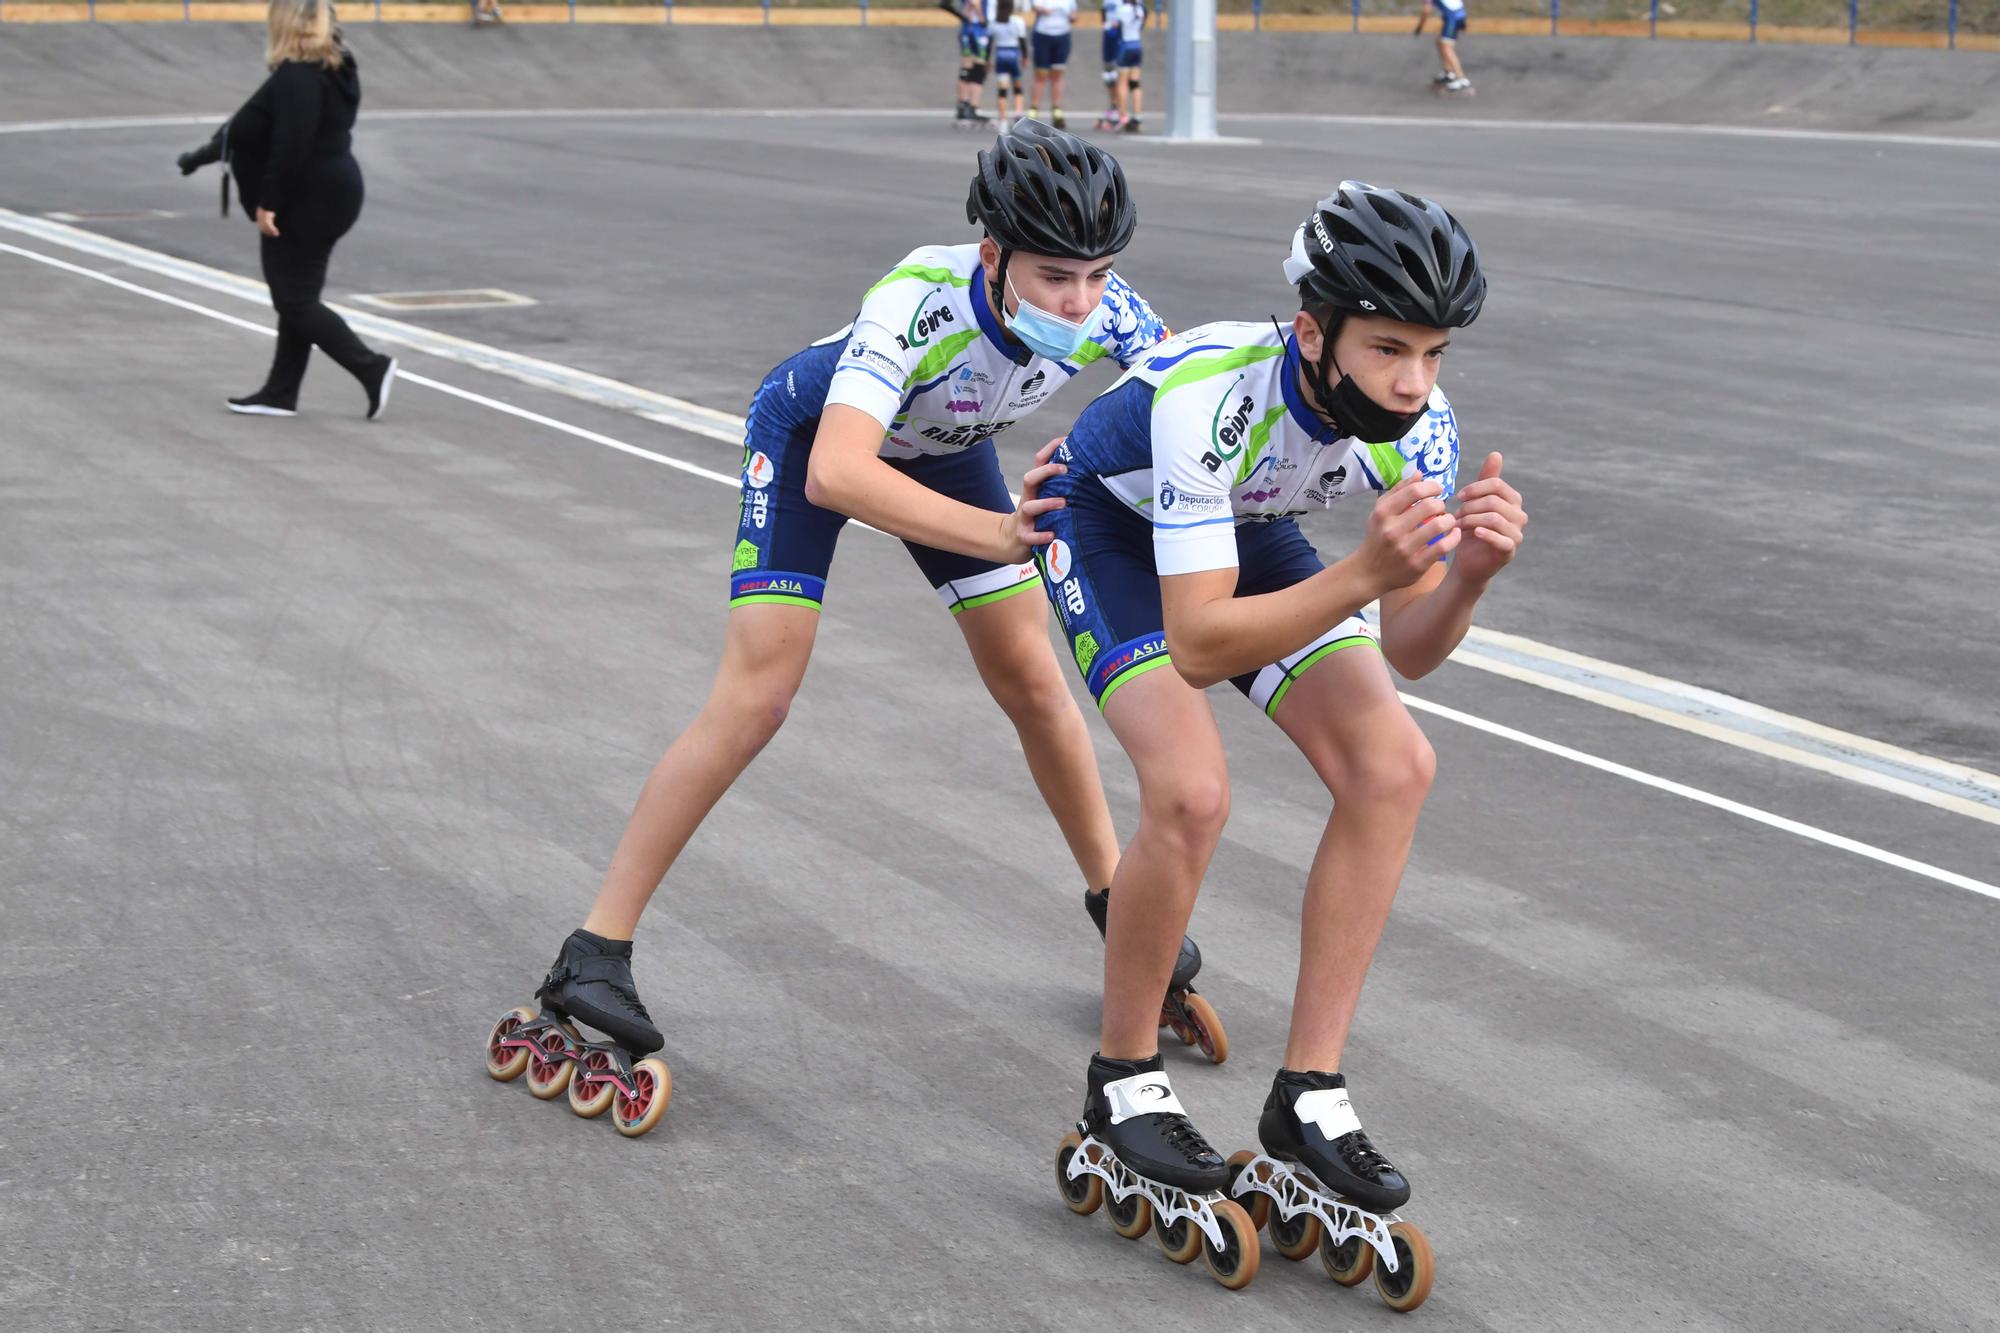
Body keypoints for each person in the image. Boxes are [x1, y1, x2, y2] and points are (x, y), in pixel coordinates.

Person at [488, 124, 1193, 1111]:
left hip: (947, 446)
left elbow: (1185, 415)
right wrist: (997, 535)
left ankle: (1117, 900)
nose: (1079, 302)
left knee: (1032, 679)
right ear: (991, 256)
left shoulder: (1108, 309)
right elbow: (839, 472)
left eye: (1095, 275)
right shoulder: (918, 298)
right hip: (820, 437)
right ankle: (592, 950)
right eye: (1052, 277)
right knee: (758, 697)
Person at [1033, 184, 1526, 1257]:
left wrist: (1468, 578)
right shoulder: (1214, 391)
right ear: (1312, 330)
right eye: (1387, 347)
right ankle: (1120, 1081)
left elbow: (1408, 649)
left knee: (1392, 763)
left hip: (1246, 528)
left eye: (1434, 353)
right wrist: (1358, 569)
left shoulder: (1420, 425)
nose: (1412, 381)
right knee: (1189, 788)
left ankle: (1306, 1094)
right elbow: (1202, 645)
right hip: (1112, 529)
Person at [176, 0, 395, 420]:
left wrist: (268, 204)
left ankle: (372, 367)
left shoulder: (298, 79)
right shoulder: (329, 70)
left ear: (285, 27)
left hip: (306, 199)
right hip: (330, 193)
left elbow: (290, 145)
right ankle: (280, 392)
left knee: (294, 299)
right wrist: (198, 157)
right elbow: (245, 125)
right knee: (298, 296)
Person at [1029, 0, 1078, 128]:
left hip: (1062, 36)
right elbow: (1035, 7)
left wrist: (1072, 17)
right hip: (1043, 34)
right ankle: (1033, 110)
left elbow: (1074, 15)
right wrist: (1044, 10)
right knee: (1041, 74)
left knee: (1058, 73)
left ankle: (1057, 110)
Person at [1416, 0, 1473, 94]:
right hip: (1459, 13)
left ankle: (1461, 80)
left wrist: (1420, 27)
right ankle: (1449, 73)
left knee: (1446, 47)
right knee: (1439, 42)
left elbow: (1427, 10)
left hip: (1452, 17)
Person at [951, 0, 993, 125]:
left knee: (966, 69)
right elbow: (975, 2)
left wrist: (966, 16)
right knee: (978, 69)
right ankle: (972, 107)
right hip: (977, 31)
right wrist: (981, 18)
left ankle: (962, 105)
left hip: (966, 29)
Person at [989, 0, 1028, 131]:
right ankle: (1017, 114)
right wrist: (1025, 57)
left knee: (1002, 91)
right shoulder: (1017, 21)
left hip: (1000, 54)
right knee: (1017, 88)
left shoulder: (994, 23)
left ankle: (1003, 121)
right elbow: (1022, 41)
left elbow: (989, 44)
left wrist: (988, 59)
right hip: (1013, 54)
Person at [1111, 0, 1144, 133]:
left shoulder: (1122, 9)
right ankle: (1137, 115)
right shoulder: (1140, 9)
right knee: (1135, 83)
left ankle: (1123, 115)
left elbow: (1114, 26)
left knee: (1122, 82)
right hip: (1137, 45)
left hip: (1125, 46)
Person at [1094, 0, 1123, 130]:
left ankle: (1119, 110)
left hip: (1121, 36)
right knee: (1109, 73)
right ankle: (1113, 105)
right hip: (1108, 34)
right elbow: (1104, 12)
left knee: (1120, 73)